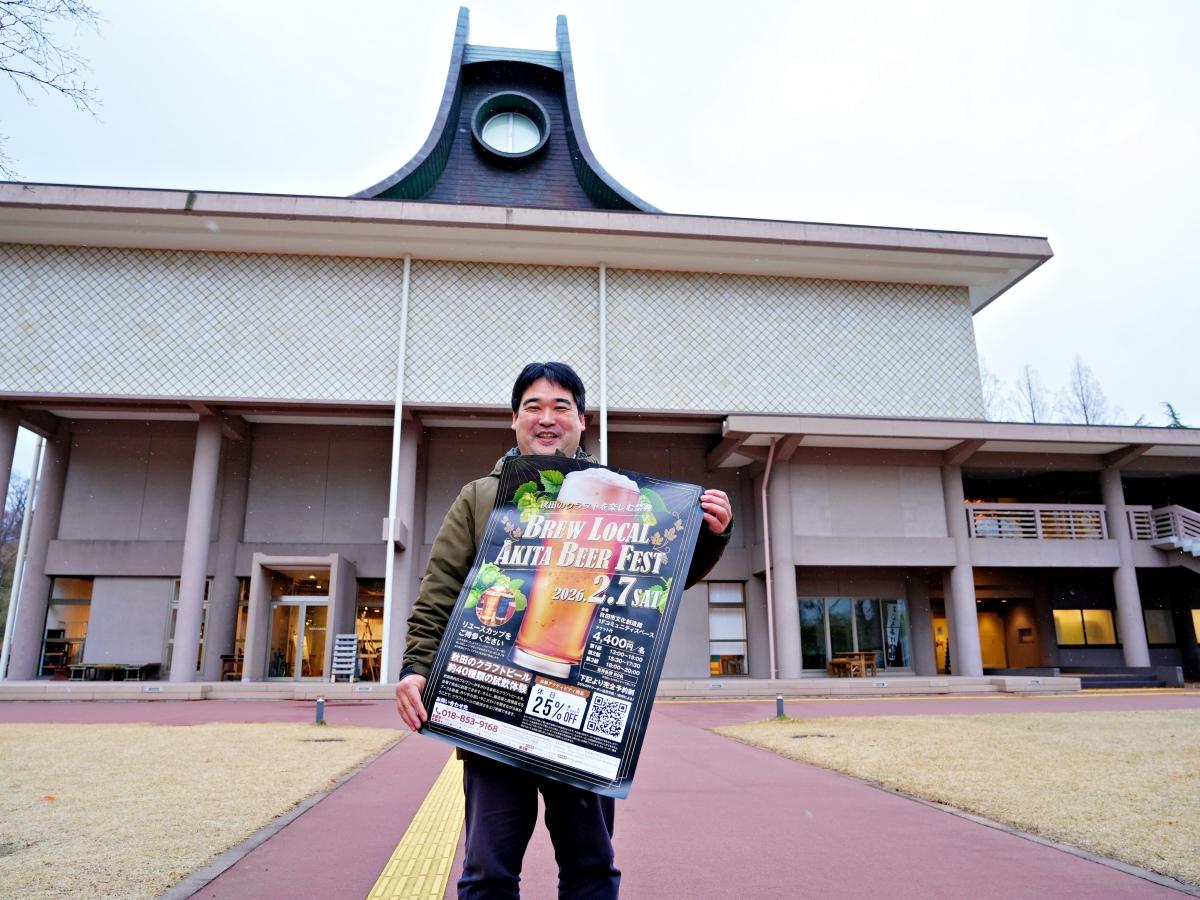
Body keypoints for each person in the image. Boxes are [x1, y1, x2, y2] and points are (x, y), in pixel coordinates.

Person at [395, 361, 733, 900]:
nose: (547, 418)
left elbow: (655, 580)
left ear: (582, 421)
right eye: (533, 407)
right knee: (487, 870)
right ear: (514, 419)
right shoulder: (481, 496)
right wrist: (416, 668)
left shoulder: (620, 495)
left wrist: (712, 535)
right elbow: (441, 589)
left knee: (590, 865)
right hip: (492, 699)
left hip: (583, 703)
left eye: (561, 407)